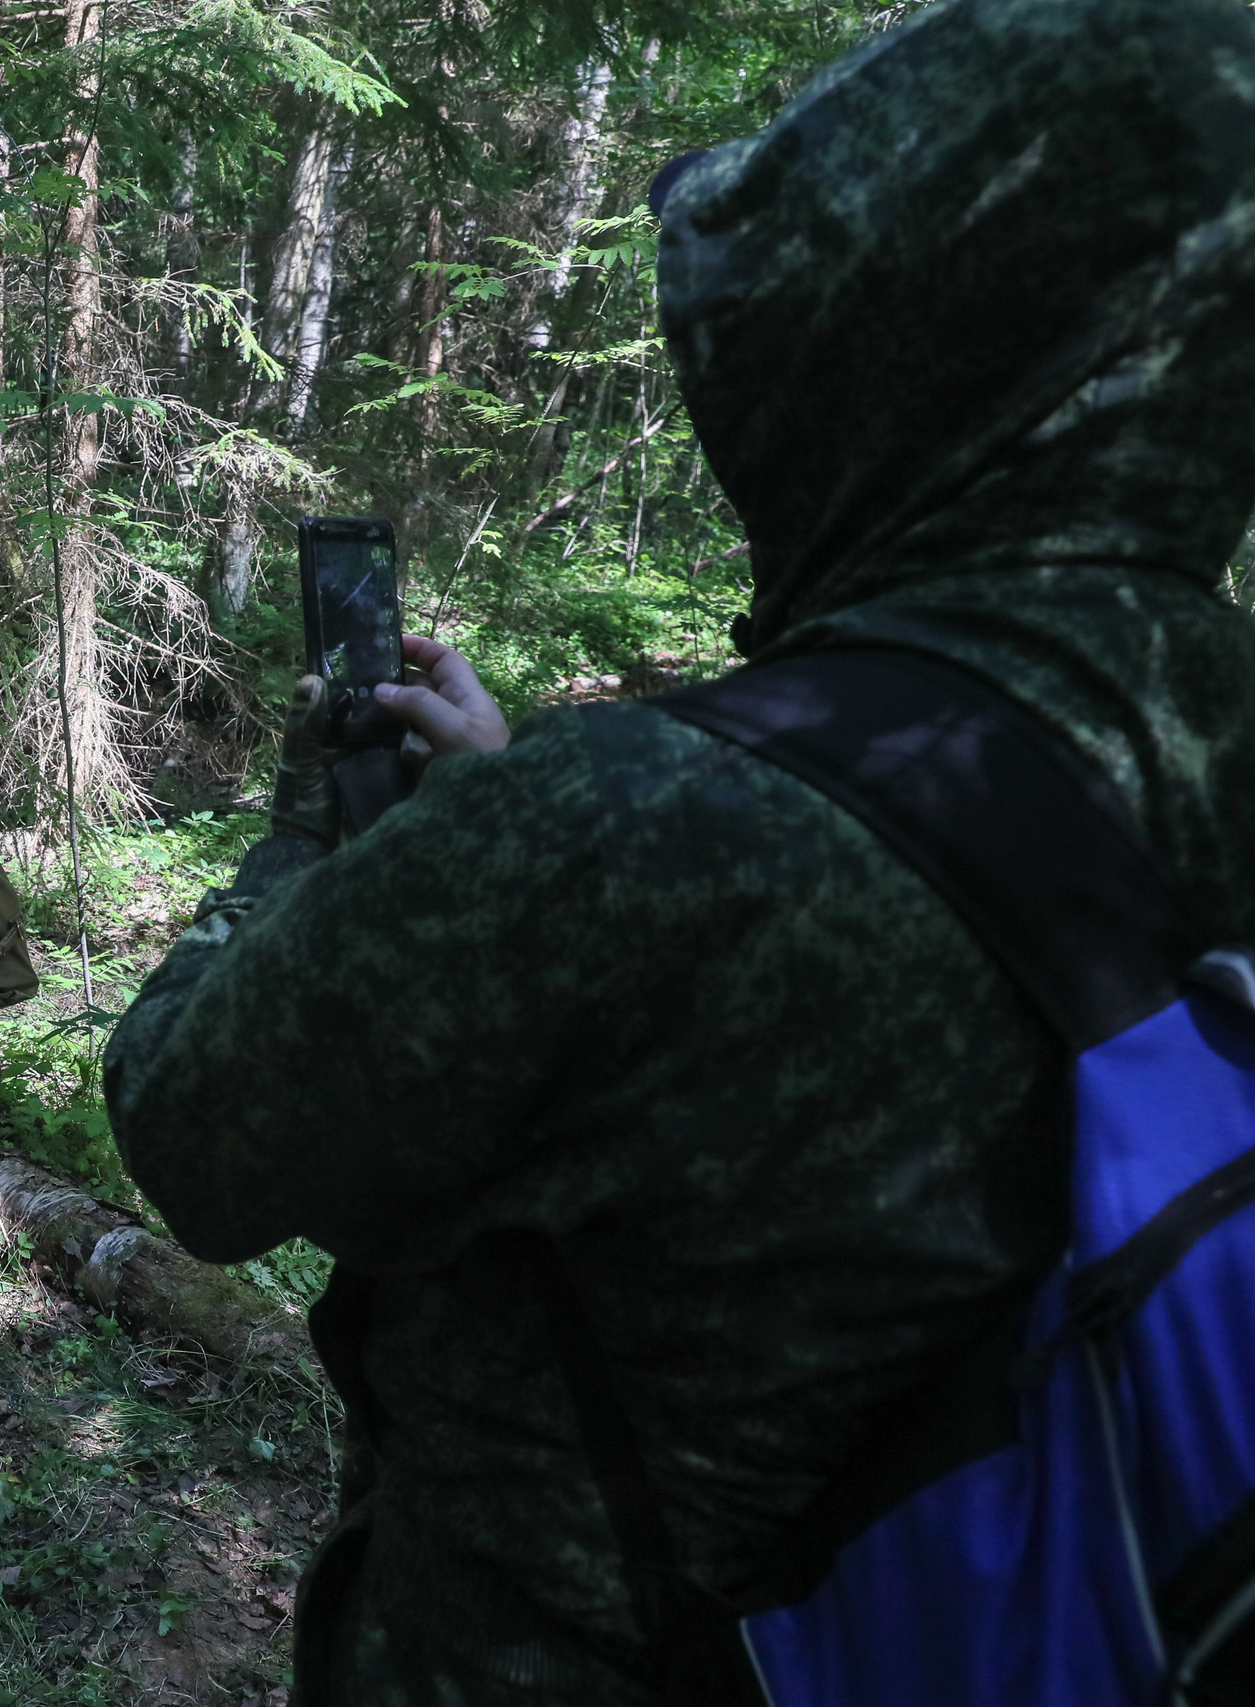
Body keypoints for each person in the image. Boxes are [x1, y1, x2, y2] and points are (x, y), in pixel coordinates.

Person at [100, 0, 1255, 1699]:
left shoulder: (639, 839)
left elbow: (192, 1127)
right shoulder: (1189, 733)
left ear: (888, 354)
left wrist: (312, 832)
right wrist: (547, 794)